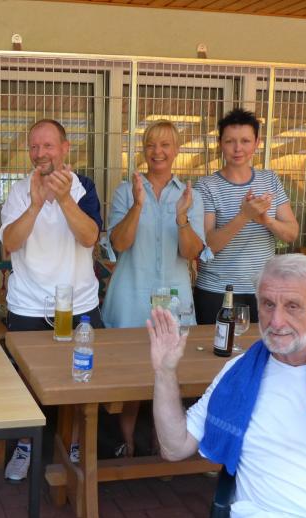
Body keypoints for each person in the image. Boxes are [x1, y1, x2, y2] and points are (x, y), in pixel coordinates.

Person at [148, 253, 306, 518]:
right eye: (268, 304)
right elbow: (175, 448)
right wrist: (165, 372)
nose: (276, 321)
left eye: (292, 306)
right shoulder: (238, 374)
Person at [0, 118, 102, 483]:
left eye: (48, 145)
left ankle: (73, 444)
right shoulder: (18, 191)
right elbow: (10, 243)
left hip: (79, 304)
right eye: (34, 146)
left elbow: (89, 237)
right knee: (26, 381)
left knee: (80, 379)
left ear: (65, 148)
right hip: (28, 304)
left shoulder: (83, 188)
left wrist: (63, 199)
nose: (39, 153)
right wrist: (36, 204)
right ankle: (26, 444)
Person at [102, 120, 204, 458]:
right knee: (130, 373)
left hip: (174, 299)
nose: (157, 152)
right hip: (131, 294)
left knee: (171, 371)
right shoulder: (126, 190)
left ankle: (165, 442)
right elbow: (119, 244)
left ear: (176, 150)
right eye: (150, 145)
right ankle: (127, 442)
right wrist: (137, 205)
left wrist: (182, 218)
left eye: (165, 145)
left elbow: (191, 252)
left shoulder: (190, 195)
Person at [193, 108, 299, 324]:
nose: (238, 148)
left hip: (263, 290)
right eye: (230, 141)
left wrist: (266, 220)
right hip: (217, 290)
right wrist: (244, 216)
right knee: (217, 345)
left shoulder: (270, 180)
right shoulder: (206, 186)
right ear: (220, 143)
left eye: (245, 141)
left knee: (261, 345)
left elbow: (291, 233)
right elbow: (208, 245)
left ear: (257, 143)